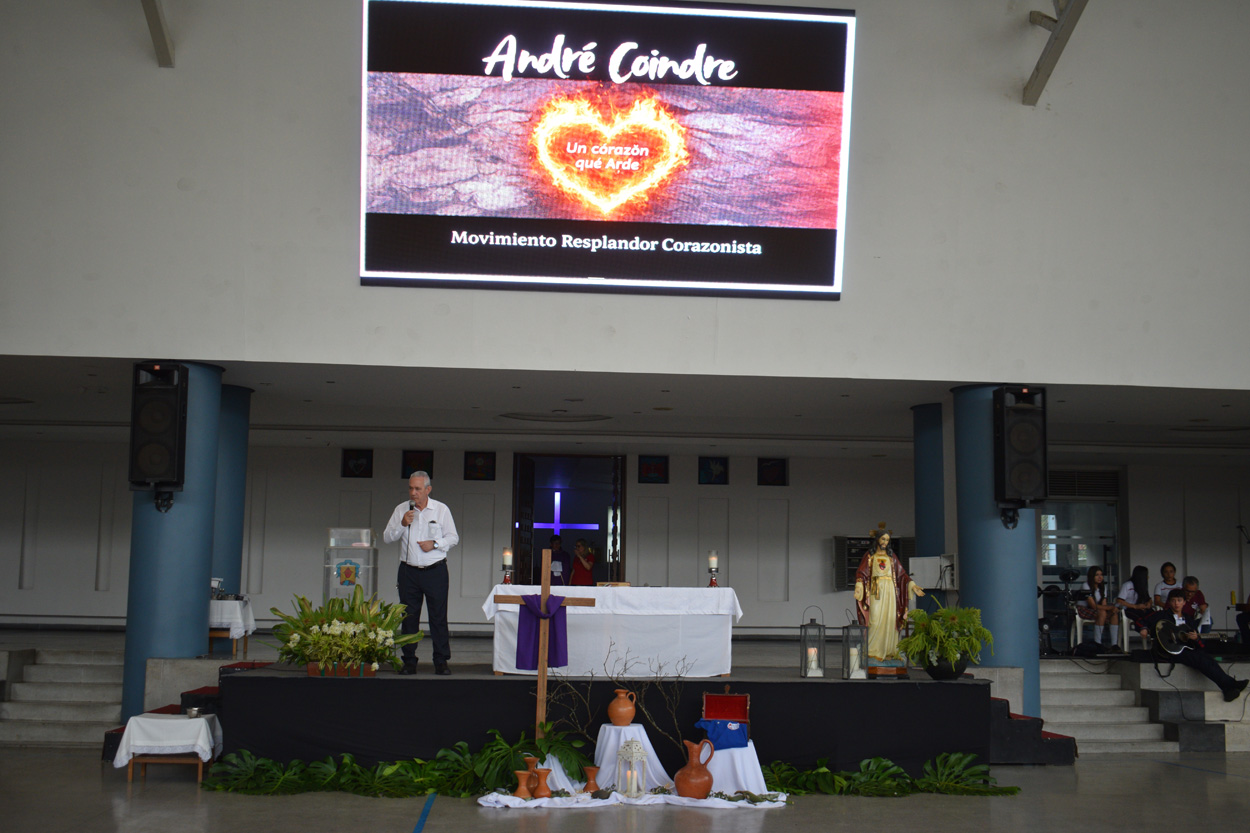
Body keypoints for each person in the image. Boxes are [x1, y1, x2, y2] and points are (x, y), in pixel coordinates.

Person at [383, 471, 459, 675]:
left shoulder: (441, 509)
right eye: (411, 488)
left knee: (438, 617)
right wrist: (402, 524)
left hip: (435, 571)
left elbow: (453, 537)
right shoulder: (402, 509)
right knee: (409, 617)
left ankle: (441, 661)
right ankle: (409, 661)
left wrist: (435, 544)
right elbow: (387, 537)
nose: (413, 493)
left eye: (417, 489)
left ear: (428, 490)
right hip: (408, 571)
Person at [1136, 589, 1248, 702]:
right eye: (1173, 600)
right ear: (1169, 602)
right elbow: (1140, 620)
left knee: (1208, 659)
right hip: (1169, 651)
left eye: (1179, 600)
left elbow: (1198, 644)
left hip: (1185, 648)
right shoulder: (1161, 615)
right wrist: (1143, 628)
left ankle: (1229, 687)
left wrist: (1196, 638)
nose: (1176, 603)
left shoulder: (1188, 619)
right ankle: (1230, 685)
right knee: (1200, 659)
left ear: (1184, 602)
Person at [854, 531, 924, 661]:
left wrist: (912, 585)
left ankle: (889, 650)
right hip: (876, 588)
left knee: (890, 618)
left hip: (890, 590)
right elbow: (861, 573)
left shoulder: (892, 557)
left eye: (887, 540)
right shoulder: (870, 555)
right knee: (875, 619)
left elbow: (902, 575)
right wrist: (859, 586)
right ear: (877, 540)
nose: (885, 542)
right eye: (883, 539)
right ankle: (872, 649)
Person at [1078, 566, 1120, 649]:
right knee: (1102, 612)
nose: (1100, 577)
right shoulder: (1086, 585)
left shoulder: (1103, 587)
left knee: (1114, 614)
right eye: (1097, 575)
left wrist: (1112, 609)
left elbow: (1104, 604)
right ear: (1092, 576)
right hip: (1084, 609)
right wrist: (1110, 608)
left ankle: (1114, 645)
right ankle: (1097, 643)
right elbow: (1093, 605)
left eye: (1101, 575)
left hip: (1098, 610)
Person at [1115, 565, 1154, 634]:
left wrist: (1149, 603)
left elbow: (1149, 599)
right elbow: (1119, 601)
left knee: (1153, 614)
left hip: (1140, 608)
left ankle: (1153, 632)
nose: (1148, 577)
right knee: (1139, 616)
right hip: (1128, 609)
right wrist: (1135, 606)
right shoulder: (1127, 585)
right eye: (1146, 575)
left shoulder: (1143, 586)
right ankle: (1143, 629)